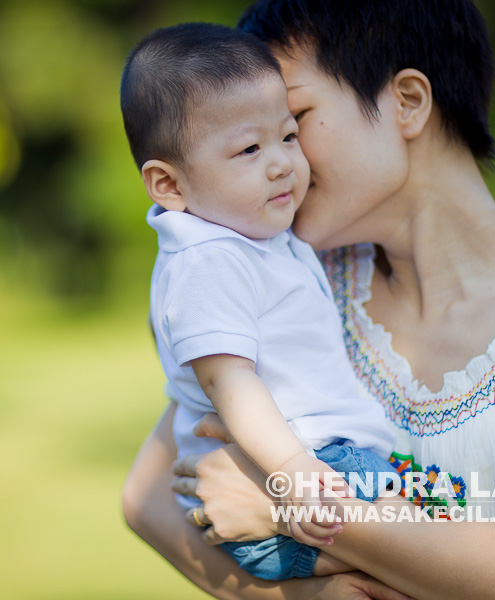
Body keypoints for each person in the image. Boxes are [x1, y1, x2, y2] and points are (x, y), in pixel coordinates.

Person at [122, 1, 495, 599]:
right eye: (248, 142)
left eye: (295, 118)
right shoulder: (305, 281)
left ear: (408, 102)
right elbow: (150, 496)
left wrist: (293, 511)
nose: (286, 160)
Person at [120, 22, 398, 582]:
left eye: (289, 136)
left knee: (420, 550)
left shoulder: (250, 240)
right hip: (300, 465)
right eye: (249, 148)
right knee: (439, 544)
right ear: (169, 186)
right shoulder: (207, 261)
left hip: (313, 460)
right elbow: (229, 381)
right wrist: (292, 472)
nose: (281, 163)